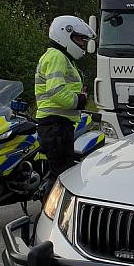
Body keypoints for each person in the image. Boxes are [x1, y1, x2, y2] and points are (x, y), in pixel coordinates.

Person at [35, 15, 96, 194]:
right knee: (62, 177)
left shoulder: (57, 56)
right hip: (56, 126)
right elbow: (55, 91)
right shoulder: (57, 57)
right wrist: (80, 100)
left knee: (58, 174)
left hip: (55, 125)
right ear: (65, 34)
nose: (82, 44)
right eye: (79, 39)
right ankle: (48, 218)